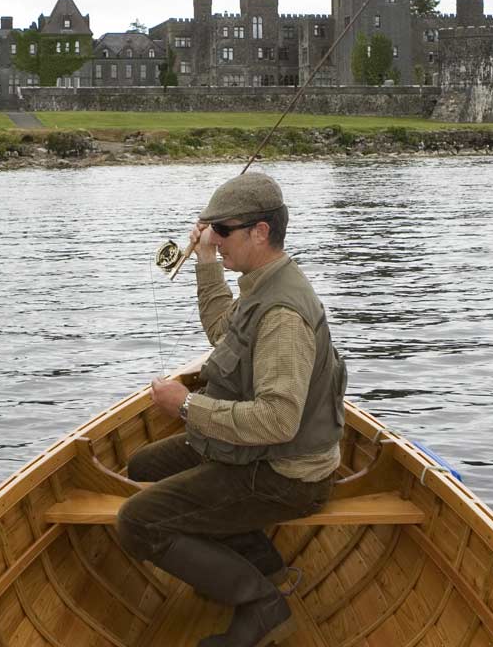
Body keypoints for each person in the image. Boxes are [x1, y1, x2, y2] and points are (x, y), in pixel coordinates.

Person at [116, 172, 348, 647]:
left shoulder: (282, 312)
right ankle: (260, 560)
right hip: (260, 454)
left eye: (222, 230)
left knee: (137, 522)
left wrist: (187, 407)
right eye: (211, 228)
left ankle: (261, 602)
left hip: (287, 476)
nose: (213, 238)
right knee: (142, 466)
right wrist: (206, 260)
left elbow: (278, 420)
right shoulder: (261, 282)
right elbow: (224, 333)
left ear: (259, 232)